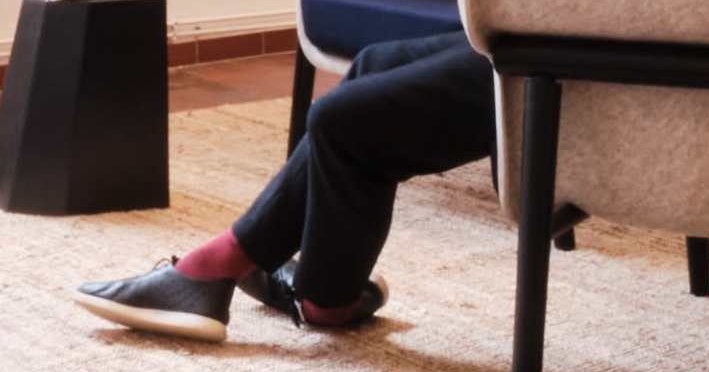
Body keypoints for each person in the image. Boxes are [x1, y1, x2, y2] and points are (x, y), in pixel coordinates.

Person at [74, 28, 498, 339]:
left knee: (341, 120)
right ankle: (322, 292)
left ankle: (221, 268)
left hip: (558, 65)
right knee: (374, 64)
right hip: (545, 26)